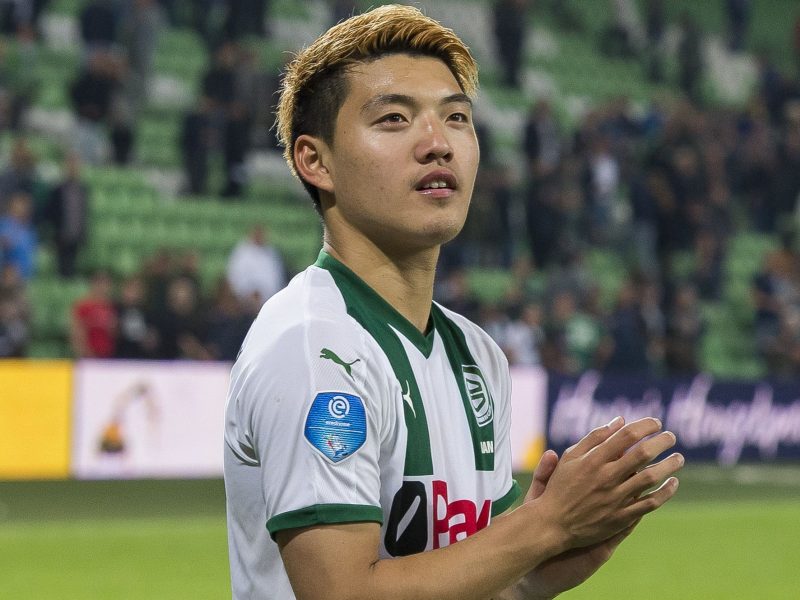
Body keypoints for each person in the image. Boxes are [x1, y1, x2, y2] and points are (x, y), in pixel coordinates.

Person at [223, 6, 684, 600]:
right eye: (394, 118)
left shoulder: (477, 356)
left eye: (457, 118)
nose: (437, 144)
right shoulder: (315, 349)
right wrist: (545, 525)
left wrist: (532, 575)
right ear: (317, 161)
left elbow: (471, 585)